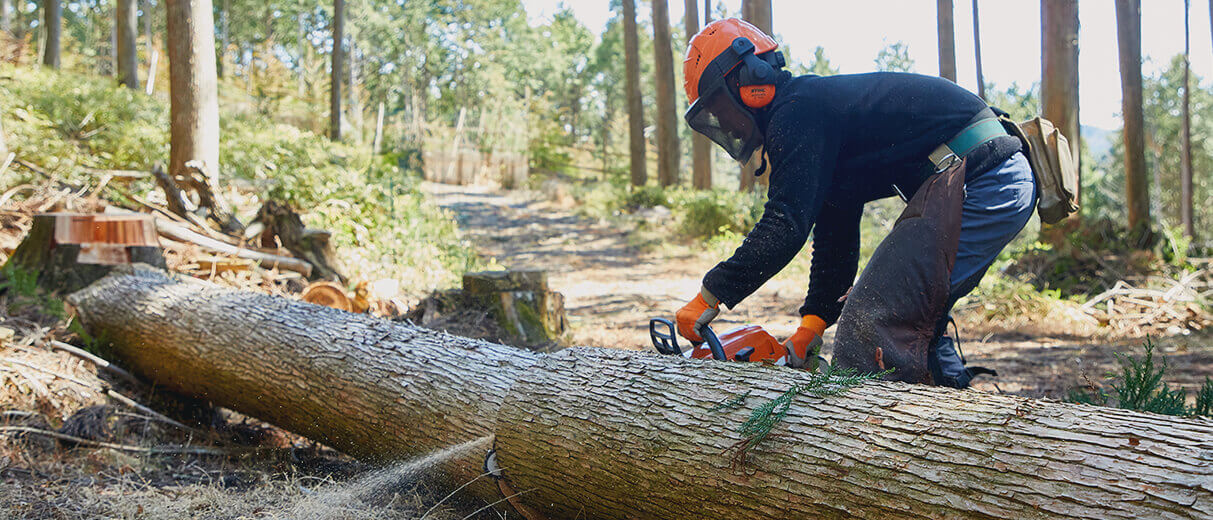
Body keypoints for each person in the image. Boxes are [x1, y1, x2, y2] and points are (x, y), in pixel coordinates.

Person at [673, 19, 1037, 388]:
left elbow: (785, 224)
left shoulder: (797, 110)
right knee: (908, 307)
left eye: (718, 104)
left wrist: (710, 295)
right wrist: (812, 325)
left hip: (985, 180)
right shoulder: (812, 117)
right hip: (980, 181)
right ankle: (947, 403)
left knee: (877, 313)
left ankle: (907, 427)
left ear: (749, 78)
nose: (722, 120)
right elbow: (836, 234)